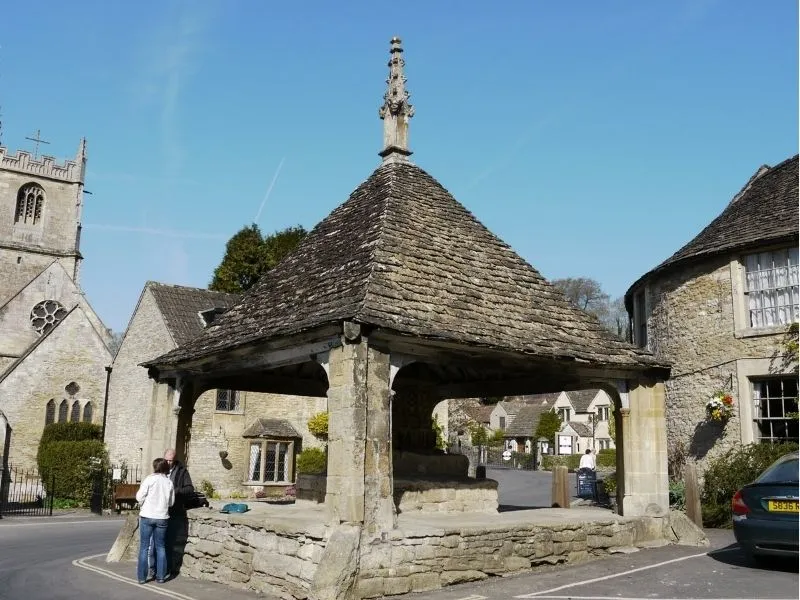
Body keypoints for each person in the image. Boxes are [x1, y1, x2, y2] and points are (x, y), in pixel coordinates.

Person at [151, 448, 194, 578]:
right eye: (167, 460)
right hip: (158, 512)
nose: (169, 463)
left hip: (174, 512)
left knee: (168, 543)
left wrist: (175, 490)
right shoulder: (158, 471)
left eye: (171, 460)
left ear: (175, 460)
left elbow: (190, 489)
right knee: (156, 544)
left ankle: (165, 570)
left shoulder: (182, 471)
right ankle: (154, 569)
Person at [136, 458, 174, 584]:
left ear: (155, 467)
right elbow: (171, 502)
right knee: (161, 547)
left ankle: (142, 578)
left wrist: (144, 502)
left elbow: (139, 497)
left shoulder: (149, 479)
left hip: (147, 515)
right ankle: (161, 577)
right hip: (162, 517)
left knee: (144, 548)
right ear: (165, 468)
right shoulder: (168, 482)